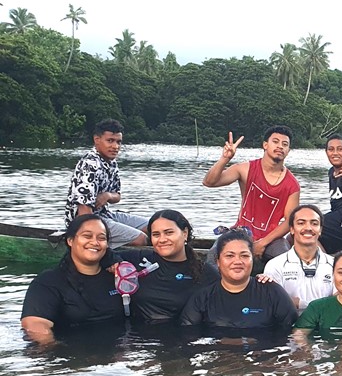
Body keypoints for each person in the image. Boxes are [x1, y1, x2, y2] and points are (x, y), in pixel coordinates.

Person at [201, 125, 300, 261]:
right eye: (275, 142)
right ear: (265, 145)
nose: (280, 147)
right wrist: (225, 159)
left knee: (285, 260)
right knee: (213, 256)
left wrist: (262, 243)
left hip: (272, 238)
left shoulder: (292, 185)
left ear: (288, 150)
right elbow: (209, 182)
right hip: (241, 232)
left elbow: (290, 221)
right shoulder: (245, 169)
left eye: (285, 144)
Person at [21, 214, 124, 344]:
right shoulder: (48, 282)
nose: (94, 242)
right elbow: (35, 325)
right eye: (87, 236)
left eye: (101, 238)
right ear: (70, 241)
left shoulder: (117, 276)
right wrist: (55, 348)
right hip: (71, 353)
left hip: (116, 352)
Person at [180, 230, 297, 329]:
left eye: (244, 256)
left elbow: (292, 334)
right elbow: (188, 337)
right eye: (229, 256)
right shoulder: (202, 298)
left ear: (253, 260)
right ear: (218, 262)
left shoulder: (272, 292)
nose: (237, 261)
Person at [119, 209, 219, 322]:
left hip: (184, 336)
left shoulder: (206, 274)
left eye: (169, 233)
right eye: (156, 234)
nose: (162, 239)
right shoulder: (138, 259)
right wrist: (113, 263)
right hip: (137, 336)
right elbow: (103, 256)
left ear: (184, 233)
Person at [64, 119, 148, 248]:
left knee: (152, 226)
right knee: (140, 239)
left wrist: (107, 195)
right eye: (110, 141)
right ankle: (112, 257)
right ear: (97, 140)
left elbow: (117, 196)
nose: (115, 147)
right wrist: (95, 236)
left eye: (118, 142)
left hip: (104, 214)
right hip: (84, 222)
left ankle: (120, 243)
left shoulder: (111, 162)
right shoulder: (90, 165)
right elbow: (84, 213)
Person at [263, 204, 334, 312]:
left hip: (325, 323)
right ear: (291, 229)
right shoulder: (275, 265)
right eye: (301, 223)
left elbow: (341, 301)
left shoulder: (334, 264)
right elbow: (275, 303)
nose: (308, 228)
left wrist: (299, 303)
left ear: (320, 230)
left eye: (314, 223)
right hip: (289, 325)